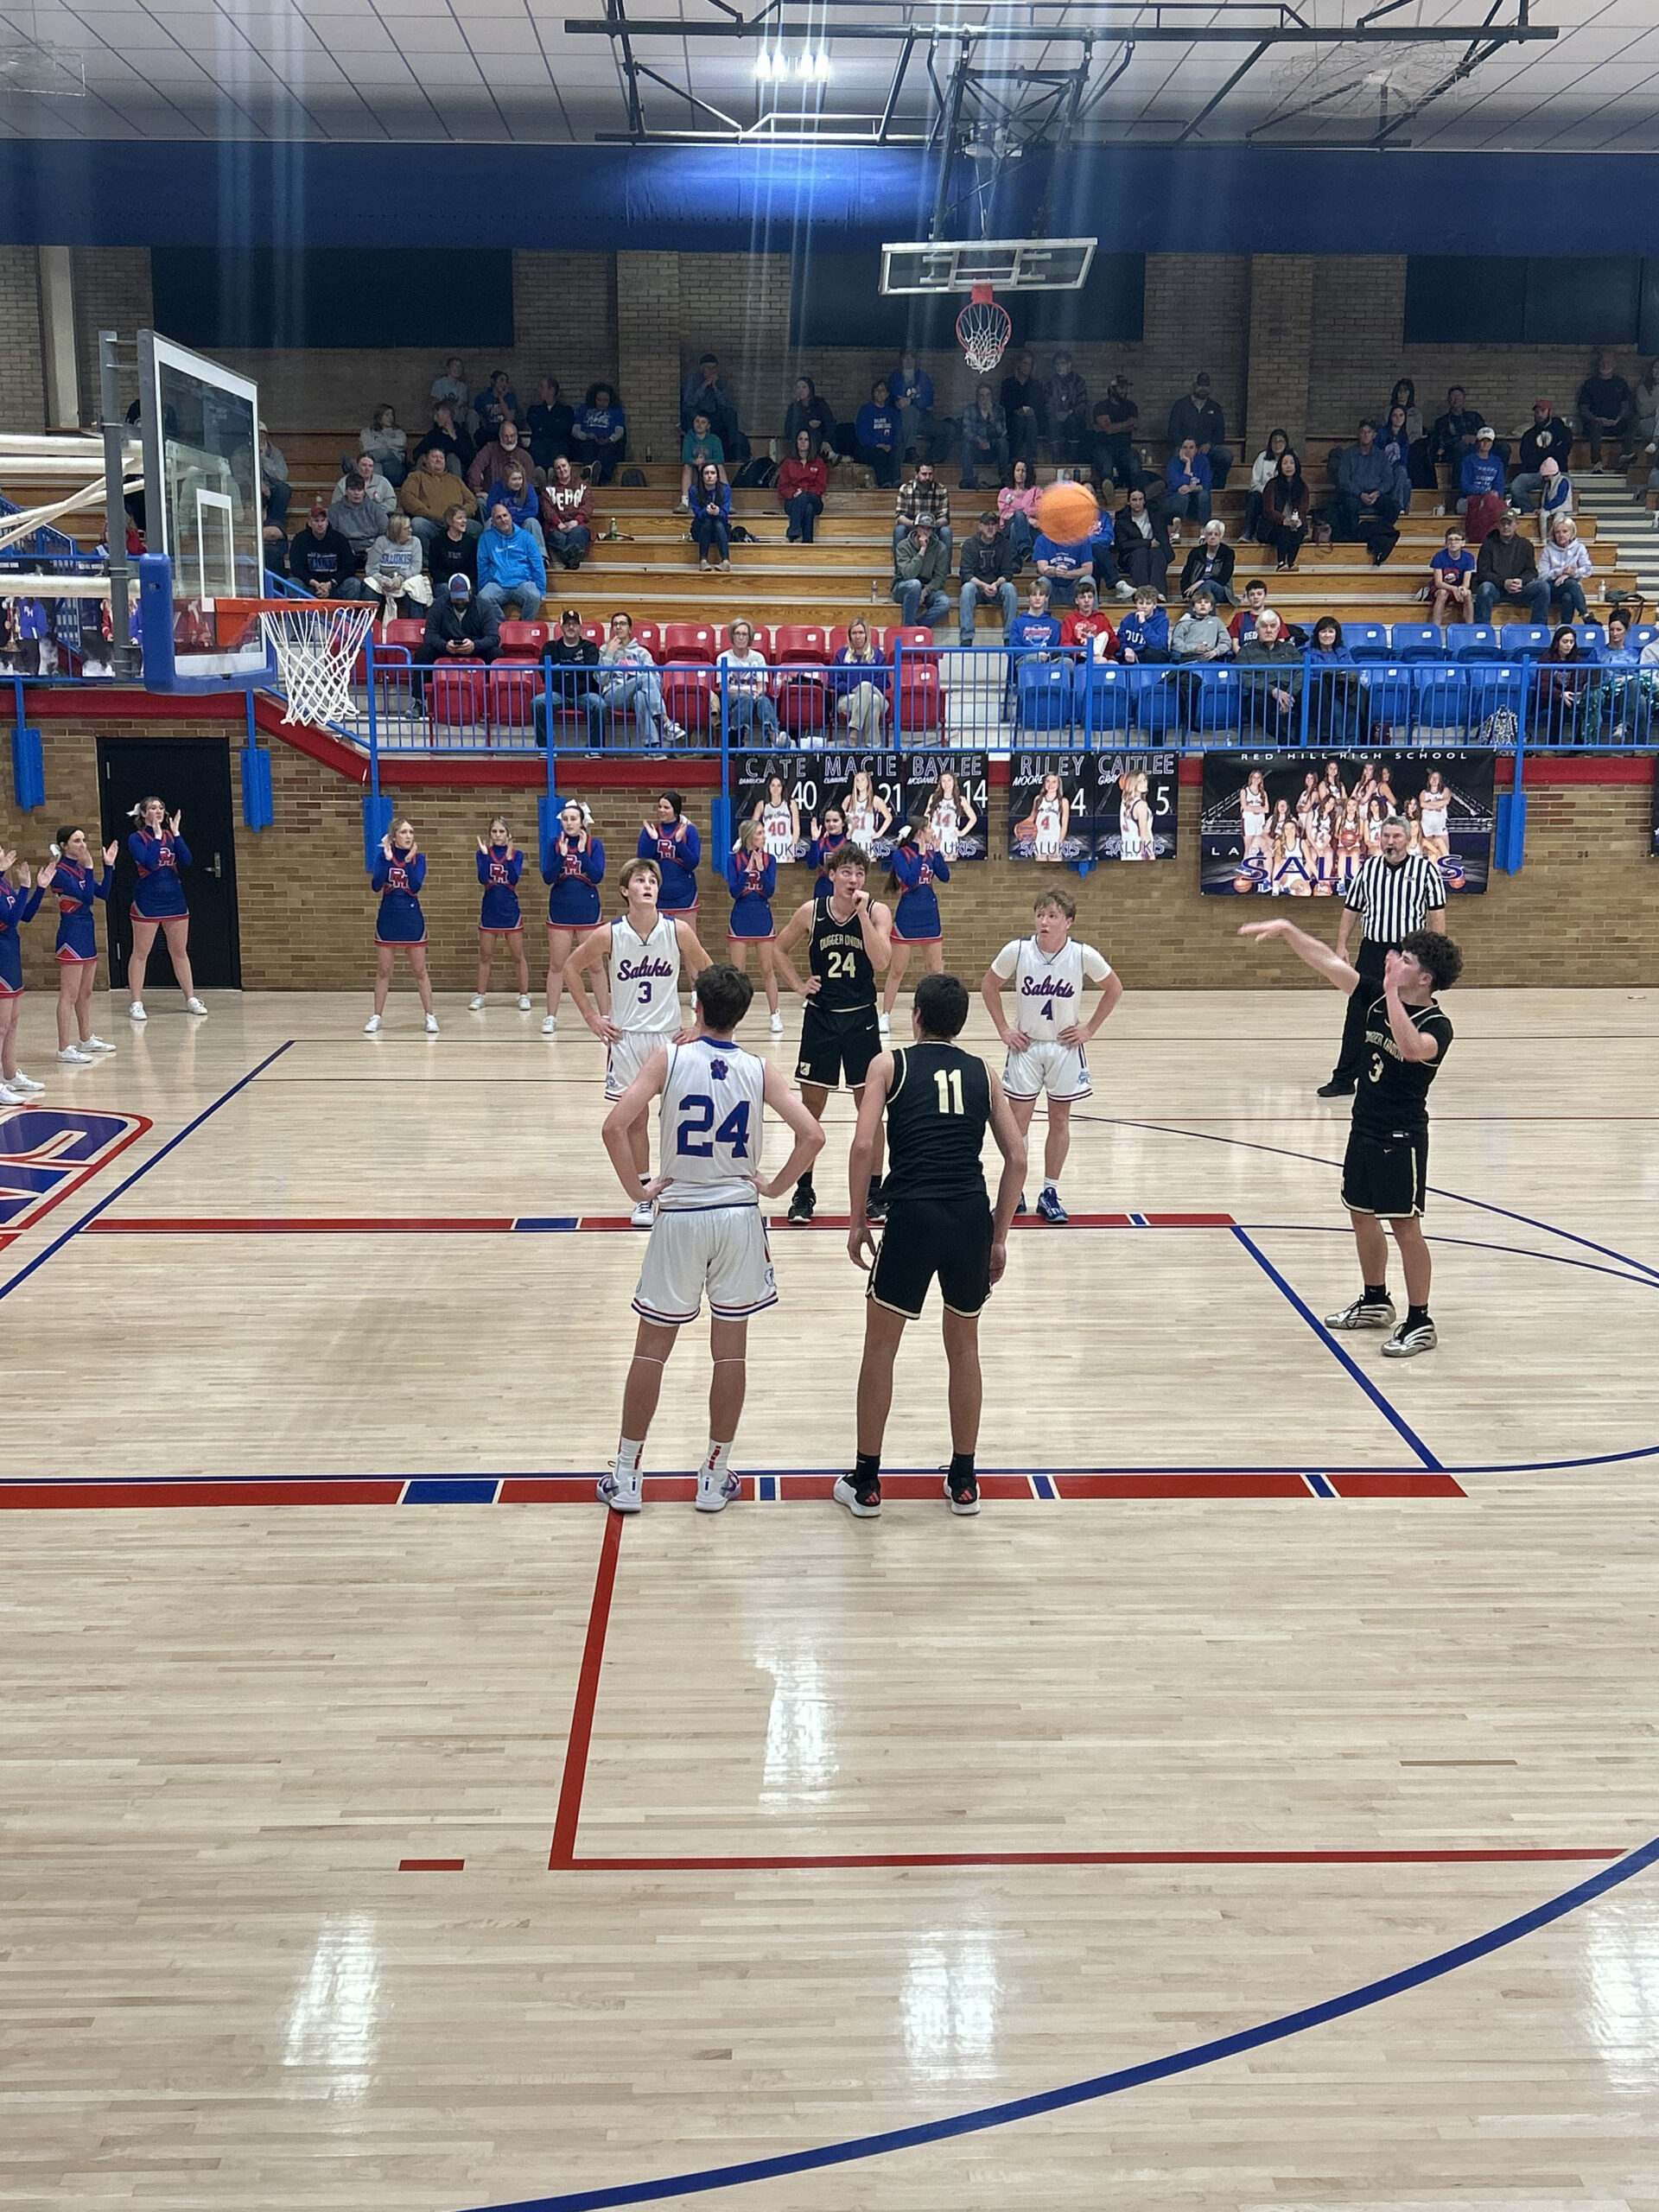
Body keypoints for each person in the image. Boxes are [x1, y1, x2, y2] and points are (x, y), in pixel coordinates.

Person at [599, 963, 823, 1516]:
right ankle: (714, 1476)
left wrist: (639, 1191)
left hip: (679, 1216)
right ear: (741, 1014)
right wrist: (774, 1188)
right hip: (738, 1218)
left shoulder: (668, 1058)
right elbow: (813, 1135)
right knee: (730, 1354)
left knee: (651, 1349)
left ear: (697, 1006)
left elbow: (613, 1126)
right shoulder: (759, 1069)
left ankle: (627, 1474)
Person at [838, 970, 1026, 1519]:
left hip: (913, 1216)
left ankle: (867, 1482)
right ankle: (964, 1480)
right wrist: (998, 1235)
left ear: (916, 1016)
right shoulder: (983, 1072)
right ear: (960, 1023)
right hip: (969, 1216)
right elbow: (1017, 1158)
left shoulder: (888, 1064)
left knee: (880, 1349)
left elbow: (863, 1145)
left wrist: (857, 1220)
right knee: (964, 1348)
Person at [1241, 915, 1463, 1357]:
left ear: (1425, 978)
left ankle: (1420, 1320)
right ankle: (1376, 1299)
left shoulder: (1437, 1024)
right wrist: (1290, 930)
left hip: (1401, 1135)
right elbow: (1328, 963)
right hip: (1364, 1126)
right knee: (1361, 1214)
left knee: (1405, 1225)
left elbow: (1410, 1048)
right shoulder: (1378, 997)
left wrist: (1390, 992)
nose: (1393, 960)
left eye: (1405, 959)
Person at [565, 855, 711, 1227]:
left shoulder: (678, 931)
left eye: (652, 881)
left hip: (669, 1037)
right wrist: (592, 1017)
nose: (648, 885)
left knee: (681, 1116)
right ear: (624, 891)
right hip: (627, 1038)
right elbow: (570, 967)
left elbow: (710, 972)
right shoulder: (610, 934)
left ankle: (682, 1186)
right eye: (640, 880)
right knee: (636, 1120)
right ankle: (645, 1194)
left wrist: (700, 1023)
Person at [982, 887, 1122, 1223]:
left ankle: (1050, 1191)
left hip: (1064, 1048)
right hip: (1026, 1047)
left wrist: (1089, 1029)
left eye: (1053, 916)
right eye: (1040, 915)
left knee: (1059, 1120)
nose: (1044, 922)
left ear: (1068, 922)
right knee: (1017, 1124)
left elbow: (1114, 988)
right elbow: (989, 985)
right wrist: (1003, 1029)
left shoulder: (1082, 954)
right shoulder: (1017, 950)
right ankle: (1015, 1191)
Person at [770, 845, 893, 1225]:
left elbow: (882, 961)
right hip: (822, 1019)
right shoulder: (812, 911)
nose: (853, 880)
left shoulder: (877, 912)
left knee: (869, 1109)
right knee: (811, 1108)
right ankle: (803, 1190)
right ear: (832, 875)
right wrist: (798, 985)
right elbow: (779, 949)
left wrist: (861, 914)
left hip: (861, 1020)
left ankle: (875, 1191)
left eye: (859, 873)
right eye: (846, 872)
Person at [1319, 812, 1447, 1096]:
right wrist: (1341, 945)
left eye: (1396, 836)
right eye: (1386, 836)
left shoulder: (1426, 871)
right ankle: (1344, 1078)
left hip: (1408, 955)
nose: (1390, 842)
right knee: (1358, 1013)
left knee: (1402, 1013)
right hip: (1372, 950)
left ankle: (1397, 1074)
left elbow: (1437, 915)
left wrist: (1433, 959)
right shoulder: (1369, 869)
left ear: (1409, 839)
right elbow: (1351, 909)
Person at [38, 825, 118, 1062]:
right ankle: (64, 1048)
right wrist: (91, 868)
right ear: (63, 846)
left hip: (87, 931)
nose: (83, 845)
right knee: (69, 995)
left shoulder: (80, 869)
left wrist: (108, 866)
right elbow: (86, 898)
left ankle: (85, 1038)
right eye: (76, 841)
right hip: (71, 934)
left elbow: (103, 893)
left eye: (83, 840)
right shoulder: (60, 872)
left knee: (86, 992)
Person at [124, 796, 207, 1021]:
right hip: (148, 901)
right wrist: (158, 837)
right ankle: (136, 1002)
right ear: (143, 814)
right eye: (152, 808)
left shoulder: (171, 835)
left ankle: (190, 998)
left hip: (174, 899)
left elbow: (187, 860)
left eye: (161, 807)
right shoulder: (136, 838)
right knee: (141, 952)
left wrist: (176, 834)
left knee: (179, 951)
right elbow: (149, 862)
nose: (158, 811)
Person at [365, 819, 436, 1036]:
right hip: (389, 917)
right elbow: (376, 885)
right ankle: (377, 1016)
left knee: (420, 970)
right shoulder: (383, 857)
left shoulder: (418, 859)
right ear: (394, 836)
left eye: (411, 832)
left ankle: (430, 1016)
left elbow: (415, 886)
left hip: (411, 918)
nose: (408, 836)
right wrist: (387, 862)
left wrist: (406, 861)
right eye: (404, 832)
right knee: (383, 970)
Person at [541, 798, 606, 1034]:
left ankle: (605, 1015)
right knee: (557, 965)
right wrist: (561, 856)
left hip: (587, 910)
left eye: (573, 819)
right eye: (566, 819)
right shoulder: (554, 844)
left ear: (581, 822)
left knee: (595, 966)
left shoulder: (594, 845)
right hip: (560, 910)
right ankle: (551, 1017)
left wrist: (581, 853)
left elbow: (597, 876)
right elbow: (547, 877)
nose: (569, 823)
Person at [880, 823, 949, 1032]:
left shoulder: (931, 853)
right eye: (928, 828)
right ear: (919, 833)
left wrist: (937, 852)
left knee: (936, 970)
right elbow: (910, 880)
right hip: (908, 916)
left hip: (930, 915)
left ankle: (938, 1015)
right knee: (897, 970)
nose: (932, 832)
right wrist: (920, 854)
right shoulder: (900, 855)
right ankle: (885, 1015)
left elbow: (945, 876)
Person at [724, 821, 784, 1035]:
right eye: (760, 833)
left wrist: (761, 869)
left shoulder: (770, 860)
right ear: (749, 836)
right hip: (741, 916)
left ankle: (775, 1015)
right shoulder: (734, 860)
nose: (764, 836)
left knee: (767, 969)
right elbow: (734, 892)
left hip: (762, 916)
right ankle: (731, 1018)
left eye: (764, 833)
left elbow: (769, 891)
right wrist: (748, 870)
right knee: (737, 973)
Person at [590, 615, 677, 753]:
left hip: (637, 693)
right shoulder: (605, 650)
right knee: (644, 677)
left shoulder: (642, 653)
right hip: (614, 694)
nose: (618, 627)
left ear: (630, 629)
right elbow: (601, 680)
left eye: (622, 624)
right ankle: (665, 720)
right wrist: (610, 654)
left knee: (641, 697)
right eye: (615, 624)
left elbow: (655, 679)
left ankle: (652, 748)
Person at [472, 817, 531, 1012]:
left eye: (501, 831)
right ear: (490, 834)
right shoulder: (482, 853)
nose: (497, 835)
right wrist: (484, 857)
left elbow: (513, 879)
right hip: (490, 909)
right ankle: (480, 995)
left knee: (517, 955)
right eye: (494, 831)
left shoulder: (517, 854)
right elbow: (482, 878)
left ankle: (524, 995)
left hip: (510, 909)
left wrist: (509, 859)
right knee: (485, 956)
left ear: (508, 834)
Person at [0, 845, 45, 1100]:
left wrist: (39, 888)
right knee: (1, 1025)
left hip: (11, 954)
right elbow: (10, 919)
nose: (2, 854)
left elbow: (24, 915)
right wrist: (25, 887)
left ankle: (9, 1075)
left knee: (13, 1020)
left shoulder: (4, 884)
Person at [412, 573, 500, 697]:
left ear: (470, 591)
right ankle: (418, 700)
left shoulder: (484, 606)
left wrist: (475, 645)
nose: (460, 601)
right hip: (446, 649)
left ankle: (491, 699)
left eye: (463, 597)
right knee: (423, 653)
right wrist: (444, 645)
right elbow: (430, 636)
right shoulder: (438, 606)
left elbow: (494, 637)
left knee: (496, 653)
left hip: (475, 650)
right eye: (456, 598)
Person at [1334, 421, 1401, 560]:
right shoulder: (1348, 454)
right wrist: (1360, 494)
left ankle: (1373, 531)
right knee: (1346, 508)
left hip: (1375, 494)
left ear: (1374, 435)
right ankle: (1357, 542)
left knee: (1394, 508)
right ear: (1359, 434)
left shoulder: (1381, 456)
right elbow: (1344, 480)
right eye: (1363, 432)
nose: (1365, 435)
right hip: (1355, 495)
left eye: (1369, 432)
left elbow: (1388, 480)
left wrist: (1377, 492)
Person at [1473, 509, 1550, 626]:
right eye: (1503, 524)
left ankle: (1538, 628)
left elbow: (1531, 572)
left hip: (1520, 589)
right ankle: (1483, 629)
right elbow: (1483, 573)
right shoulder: (1488, 545)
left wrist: (1521, 581)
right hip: (1497, 589)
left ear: (1516, 525)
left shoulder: (1526, 545)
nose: (1506, 527)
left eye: (1509, 523)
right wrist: (1504, 583)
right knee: (1485, 588)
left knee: (1543, 587)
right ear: (1498, 525)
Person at [1236, 608, 1302, 742]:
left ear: (1278, 630)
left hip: (1290, 689)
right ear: (1257, 630)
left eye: (1273, 626)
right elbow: (1245, 677)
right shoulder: (1246, 651)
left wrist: (1289, 695)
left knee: (1314, 692)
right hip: (1265, 691)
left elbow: (1301, 671)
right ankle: (1286, 741)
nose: (1269, 630)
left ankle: (1313, 741)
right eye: (1264, 626)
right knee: (1255, 703)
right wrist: (1273, 691)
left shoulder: (1289, 649)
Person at [475, 501, 547, 623]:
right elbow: (482, 565)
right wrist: (482, 587)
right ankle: (503, 628)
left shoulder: (526, 537)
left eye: (505, 515)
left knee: (535, 596)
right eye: (498, 517)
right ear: (493, 522)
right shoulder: (486, 538)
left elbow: (537, 565)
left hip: (523, 583)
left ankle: (524, 627)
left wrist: (542, 590)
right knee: (483, 597)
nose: (503, 520)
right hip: (497, 585)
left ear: (510, 516)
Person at [957, 510, 1019, 648]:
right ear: (980, 526)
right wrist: (984, 586)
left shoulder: (1005, 544)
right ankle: (966, 637)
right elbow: (966, 574)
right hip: (978, 589)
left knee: (1010, 588)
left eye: (993, 524)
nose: (990, 528)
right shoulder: (970, 544)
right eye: (987, 524)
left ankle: (1009, 637)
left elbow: (1008, 573)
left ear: (997, 527)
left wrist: (996, 584)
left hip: (998, 588)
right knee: (967, 588)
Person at [638, 790, 702, 916]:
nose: (661, 810)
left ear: (675, 810)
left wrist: (679, 842)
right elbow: (642, 863)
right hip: (657, 895)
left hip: (685, 896)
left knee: (685, 930)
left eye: (666, 807)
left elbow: (692, 864)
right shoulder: (650, 831)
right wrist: (653, 840)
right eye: (660, 807)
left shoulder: (689, 831)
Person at [402, 448, 479, 550]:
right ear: (426, 460)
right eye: (434, 457)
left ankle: (461, 556)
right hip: (430, 522)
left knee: (476, 528)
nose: (438, 460)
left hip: (456, 522)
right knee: (417, 524)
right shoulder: (416, 477)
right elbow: (407, 497)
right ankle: (428, 558)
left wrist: (460, 515)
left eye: (441, 457)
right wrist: (428, 513)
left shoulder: (455, 479)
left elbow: (472, 501)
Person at [1168, 370, 1233, 489]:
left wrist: (1209, 444)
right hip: (1185, 447)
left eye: (1206, 386)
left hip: (1206, 448)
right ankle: (1179, 488)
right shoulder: (1181, 405)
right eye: (1200, 385)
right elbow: (1173, 431)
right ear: (1194, 386)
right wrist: (1187, 446)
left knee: (1225, 456)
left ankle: (1216, 489)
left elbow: (1220, 433)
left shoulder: (1215, 408)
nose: (1203, 389)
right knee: (1177, 455)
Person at [289, 502, 367, 599]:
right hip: (310, 586)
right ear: (309, 522)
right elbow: (296, 567)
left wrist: (330, 584)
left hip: (334, 586)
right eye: (316, 521)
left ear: (327, 522)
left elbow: (349, 566)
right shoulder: (300, 539)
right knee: (292, 583)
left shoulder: (339, 538)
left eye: (323, 520)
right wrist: (314, 583)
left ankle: (347, 609)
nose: (320, 524)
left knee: (354, 583)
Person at [716, 620, 776, 743]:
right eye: (737, 634)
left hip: (754, 695)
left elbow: (762, 686)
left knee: (764, 701)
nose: (741, 637)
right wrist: (744, 691)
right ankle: (735, 739)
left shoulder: (758, 658)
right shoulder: (723, 658)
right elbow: (724, 687)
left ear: (750, 637)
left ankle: (775, 739)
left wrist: (757, 693)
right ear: (732, 636)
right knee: (745, 699)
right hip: (732, 696)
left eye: (744, 634)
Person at [362, 512, 428, 623]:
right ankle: (368, 625)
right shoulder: (381, 542)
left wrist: (400, 578)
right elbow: (371, 567)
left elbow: (416, 567)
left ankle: (416, 626)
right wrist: (382, 580)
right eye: (406, 528)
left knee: (416, 585)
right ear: (396, 530)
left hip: (405, 580)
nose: (411, 530)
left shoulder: (415, 542)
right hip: (383, 580)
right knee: (369, 586)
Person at [830, 619, 888, 742]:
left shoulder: (878, 655)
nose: (857, 637)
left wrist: (864, 688)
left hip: (878, 696)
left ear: (867, 635)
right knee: (873, 701)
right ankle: (872, 747)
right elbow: (833, 681)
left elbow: (885, 682)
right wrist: (852, 689)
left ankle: (854, 730)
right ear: (849, 636)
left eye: (861, 633)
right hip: (848, 699)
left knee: (867, 687)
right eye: (854, 633)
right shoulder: (841, 655)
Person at [891, 519, 950, 633]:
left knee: (945, 603)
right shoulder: (903, 546)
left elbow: (939, 577)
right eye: (922, 528)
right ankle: (909, 627)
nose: (925, 532)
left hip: (927, 588)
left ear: (933, 531)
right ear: (916, 529)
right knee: (914, 584)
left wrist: (924, 592)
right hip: (904, 586)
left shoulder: (940, 548)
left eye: (929, 529)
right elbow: (908, 574)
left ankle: (914, 629)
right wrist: (922, 551)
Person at [1577, 351, 1634, 470]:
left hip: (1616, 424)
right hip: (1597, 425)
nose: (1605, 365)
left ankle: (1625, 455)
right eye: (1602, 362)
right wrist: (1597, 419)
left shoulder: (1621, 383)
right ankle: (1597, 463)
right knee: (1595, 425)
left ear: (1614, 364)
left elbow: (1627, 407)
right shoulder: (1590, 384)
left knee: (1632, 422)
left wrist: (1618, 419)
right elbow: (1583, 409)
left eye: (1608, 362)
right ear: (1598, 364)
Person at [1090, 374, 1146, 496]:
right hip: (1104, 447)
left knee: (1135, 462)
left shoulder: (1131, 406)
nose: (1124, 391)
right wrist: (1126, 424)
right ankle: (1108, 495)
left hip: (1124, 448)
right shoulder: (1101, 407)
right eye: (1121, 388)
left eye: (1126, 388)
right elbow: (1108, 429)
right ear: (1112, 389)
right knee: (1107, 465)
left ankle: (1138, 494)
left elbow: (1135, 425)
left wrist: (1115, 426)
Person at [1534, 623, 1591, 741]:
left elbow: (1578, 683)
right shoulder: (1546, 659)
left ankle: (1579, 746)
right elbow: (1544, 685)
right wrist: (1560, 694)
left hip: (1570, 695)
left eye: (1571, 642)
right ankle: (1552, 745)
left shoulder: (1577, 660)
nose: (1568, 645)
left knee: (1587, 706)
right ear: (1557, 642)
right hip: (1547, 696)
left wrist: (1575, 694)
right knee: (1561, 707)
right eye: (1565, 642)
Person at [681, 354, 745, 459]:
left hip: (715, 414)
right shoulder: (694, 380)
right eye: (708, 368)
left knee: (730, 413)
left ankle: (733, 447)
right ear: (702, 368)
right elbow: (689, 402)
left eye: (714, 368)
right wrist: (704, 386)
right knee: (690, 412)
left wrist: (715, 388)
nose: (711, 371)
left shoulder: (721, 382)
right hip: (698, 412)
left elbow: (725, 404)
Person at [1510, 398, 1572, 506]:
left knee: (1569, 483)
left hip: (1558, 474)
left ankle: (1560, 514)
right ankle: (1531, 512)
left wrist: (1540, 454)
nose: (1539, 415)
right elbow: (1526, 457)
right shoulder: (1529, 435)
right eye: (1537, 412)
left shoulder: (1563, 432)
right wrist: (1547, 455)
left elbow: (1562, 454)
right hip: (1536, 475)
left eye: (1543, 411)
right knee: (1517, 484)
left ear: (1550, 412)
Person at [1113, 485, 1171, 596]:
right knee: (1141, 553)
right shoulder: (1122, 519)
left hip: (1154, 551)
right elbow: (1122, 545)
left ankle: (1159, 594)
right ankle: (1142, 594)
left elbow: (1163, 534)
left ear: (1144, 500)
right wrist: (1147, 543)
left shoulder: (1155, 513)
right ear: (1129, 502)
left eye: (1140, 499)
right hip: (1131, 555)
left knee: (1157, 553)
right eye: (1134, 500)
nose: (1138, 503)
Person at [540, 454, 594, 571]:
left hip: (578, 526)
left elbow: (588, 505)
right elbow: (546, 508)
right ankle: (574, 559)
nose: (562, 469)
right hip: (556, 528)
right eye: (558, 468)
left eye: (564, 466)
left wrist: (576, 521)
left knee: (578, 532)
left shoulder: (582, 486)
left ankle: (568, 559)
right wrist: (558, 523)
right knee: (556, 537)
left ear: (569, 467)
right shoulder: (548, 489)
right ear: (555, 471)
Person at [1537, 512, 1593, 624]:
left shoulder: (1579, 548)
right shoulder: (1548, 550)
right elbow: (1542, 575)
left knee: (1568, 596)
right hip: (1552, 588)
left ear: (1572, 533)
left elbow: (1588, 569)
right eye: (1557, 532)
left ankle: (1565, 626)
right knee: (1571, 584)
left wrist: (1571, 573)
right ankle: (1585, 615)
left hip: (1571, 588)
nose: (1561, 535)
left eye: (1565, 531)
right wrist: (1560, 572)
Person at [893, 459, 951, 562]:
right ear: (916, 475)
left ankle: (945, 569)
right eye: (924, 474)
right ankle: (900, 569)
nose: (927, 477)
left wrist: (929, 526)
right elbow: (900, 517)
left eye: (930, 474)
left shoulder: (941, 489)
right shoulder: (905, 488)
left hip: (933, 527)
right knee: (899, 530)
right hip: (912, 526)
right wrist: (917, 525)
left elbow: (945, 518)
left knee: (946, 531)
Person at [465, 419, 538, 501]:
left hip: (517, 499)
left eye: (512, 436)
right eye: (506, 436)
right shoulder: (490, 449)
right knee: (480, 501)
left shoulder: (525, 456)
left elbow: (529, 481)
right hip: (491, 498)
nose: (509, 440)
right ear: (500, 436)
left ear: (517, 436)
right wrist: (477, 490)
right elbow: (475, 467)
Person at [1000, 352, 1048, 469]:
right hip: (1012, 421)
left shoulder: (1036, 385)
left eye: (1030, 364)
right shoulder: (1008, 384)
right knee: (1019, 420)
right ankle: (1014, 456)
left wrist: (1033, 411)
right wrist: (1016, 411)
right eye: (1025, 363)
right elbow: (1003, 406)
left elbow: (1041, 407)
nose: (1027, 367)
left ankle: (1032, 456)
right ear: (1019, 364)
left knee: (1030, 419)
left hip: (1032, 422)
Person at [778, 430, 827, 543]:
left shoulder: (819, 462)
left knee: (805, 498)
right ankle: (807, 542)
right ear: (796, 442)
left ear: (811, 443)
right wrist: (794, 493)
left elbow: (821, 486)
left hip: (814, 499)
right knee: (808, 508)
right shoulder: (788, 463)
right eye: (800, 439)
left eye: (806, 439)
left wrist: (804, 491)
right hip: (793, 501)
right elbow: (783, 486)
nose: (803, 442)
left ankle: (792, 533)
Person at [959, 382, 1009, 492]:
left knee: (1003, 442)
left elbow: (1002, 432)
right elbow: (967, 431)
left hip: (993, 450)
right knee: (966, 444)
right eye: (981, 395)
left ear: (992, 397)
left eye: (988, 395)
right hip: (976, 449)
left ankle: (1004, 477)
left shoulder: (999, 410)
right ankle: (967, 479)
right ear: (977, 397)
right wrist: (979, 440)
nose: (984, 399)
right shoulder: (970, 410)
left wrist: (992, 416)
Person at [485, 461, 544, 552]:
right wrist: (505, 520)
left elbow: (533, 511)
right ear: (506, 480)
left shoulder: (528, 488)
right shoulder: (497, 488)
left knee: (532, 522)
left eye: (520, 479)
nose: (518, 482)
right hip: (502, 524)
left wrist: (511, 518)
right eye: (514, 479)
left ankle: (541, 555)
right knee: (490, 522)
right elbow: (491, 509)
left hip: (522, 525)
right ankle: (488, 554)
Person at [573, 384, 626, 484]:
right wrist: (586, 436)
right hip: (588, 440)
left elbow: (620, 432)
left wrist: (609, 439)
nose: (602, 403)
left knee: (607, 451)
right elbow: (575, 430)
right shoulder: (584, 409)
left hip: (607, 440)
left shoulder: (616, 411)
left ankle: (599, 476)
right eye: (599, 400)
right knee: (588, 448)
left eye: (605, 400)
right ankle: (589, 472)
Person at [1243, 429, 1290, 540]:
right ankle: (1247, 533)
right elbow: (1255, 483)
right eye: (1274, 441)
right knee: (1254, 497)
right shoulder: (1262, 457)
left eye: (1280, 441)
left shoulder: (1289, 458)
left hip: (1283, 495)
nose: (1277, 444)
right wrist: (1268, 493)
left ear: (1286, 443)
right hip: (1263, 494)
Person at [425, 505, 480, 601]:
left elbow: (473, 570)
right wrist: (453, 582)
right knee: (446, 591)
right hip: (444, 583)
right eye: (460, 518)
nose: (464, 521)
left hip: (465, 583)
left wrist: (463, 583)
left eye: (465, 518)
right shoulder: (437, 542)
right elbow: (435, 570)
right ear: (450, 521)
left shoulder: (471, 542)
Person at [888, 352, 936, 460]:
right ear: (901, 360)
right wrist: (897, 402)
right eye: (905, 358)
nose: (908, 362)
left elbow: (929, 399)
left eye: (911, 359)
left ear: (915, 361)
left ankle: (931, 460)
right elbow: (890, 399)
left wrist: (912, 401)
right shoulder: (895, 378)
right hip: (901, 420)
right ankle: (910, 450)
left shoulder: (923, 377)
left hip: (923, 420)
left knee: (948, 430)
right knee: (909, 411)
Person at [855, 379, 902, 489]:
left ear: (887, 394)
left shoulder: (893, 412)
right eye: (877, 390)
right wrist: (877, 444)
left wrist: (890, 445)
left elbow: (898, 433)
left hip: (889, 447)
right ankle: (884, 483)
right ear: (873, 393)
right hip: (870, 448)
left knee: (896, 452)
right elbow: (862, 433)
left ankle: (896, 481)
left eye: (883, 391)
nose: (880, 393)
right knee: (880, 454)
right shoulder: (866, 411)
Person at [1179, 518, 1236, 607]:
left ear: (1221, 536)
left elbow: (1224, 578)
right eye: (1210, 534)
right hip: (1197, 591)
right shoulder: (1196, 553)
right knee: (1204, 589)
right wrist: (1186, 594)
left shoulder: (1228, 553)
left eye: (1216, 534)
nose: (1213, 537)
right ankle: (1205, 614)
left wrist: (1201, 582)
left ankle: (1194, 613)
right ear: (1205, 535)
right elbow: (1185, 575)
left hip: (1221, 590)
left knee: (1208, 584)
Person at [1046, 352, 1090, 464]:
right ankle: (1056, 460)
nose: (1059, 366)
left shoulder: (1079, 382)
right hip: (1056, 418)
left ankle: (1072, 460)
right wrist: (1056, 413)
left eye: (1062, 363)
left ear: (1069, 365)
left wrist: (1070, 412)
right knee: (1052, 422)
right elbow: (1047, 404)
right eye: (1057, 364)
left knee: (1073, 422)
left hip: (1074, 417)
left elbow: (1083, 403)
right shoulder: (1050, 384)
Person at [688, 461, 732, 570]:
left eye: (712, 473)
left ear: (717, 476)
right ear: (702, 476)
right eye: (706, 473)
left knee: (718, 523)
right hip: (701, 529)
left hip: (720, 529)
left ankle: (725, 561)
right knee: (707, 521)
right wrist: (706, 511)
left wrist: (718, 512)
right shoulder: (694, 490)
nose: (709, 476)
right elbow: (697, 512)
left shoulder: (726, 489)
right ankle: (703, 561)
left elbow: (725, 513)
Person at [1429, 525, 1477, 626]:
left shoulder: (1468, 557)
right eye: (1450, 540)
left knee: (1468, 593)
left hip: (1458, 587)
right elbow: (1438, 582)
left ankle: (1470, 626)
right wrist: (1453, 589)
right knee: (1443, 593)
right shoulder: (1439, 557)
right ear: (1446, 543)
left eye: (1457, 539)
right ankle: (1435, 626)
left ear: (1463, 543)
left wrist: (1462, 589)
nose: (1453, 542)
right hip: (1442, 587)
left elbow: (1466, 582)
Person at [678, 410, 725, 510]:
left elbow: (720, 459)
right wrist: (695, 462)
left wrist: (705, 462)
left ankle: (726, 501)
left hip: (709, 468)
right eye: (697, 421)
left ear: (708, 426)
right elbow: (685, 458)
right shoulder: (688, 438)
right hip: (695, 470)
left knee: (720, 467)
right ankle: (685, 502)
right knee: (687, 467)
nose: (699, 425)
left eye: (703, 422)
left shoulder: (714, 439)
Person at [783, 376, 838, 462]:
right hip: (799, 446)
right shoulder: (793, 408)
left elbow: (830, 425)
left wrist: (826, 440)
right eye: (798, 387)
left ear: (810, 389)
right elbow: (788, 431)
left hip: (819, 444)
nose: (800, 390)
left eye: (804, 387)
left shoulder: (820, 405)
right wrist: (807, 425)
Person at [526, 378, 575, 472]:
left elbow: (564, 429)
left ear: (551, 390)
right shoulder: (534, 410)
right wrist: (553, 424)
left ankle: (553, 472)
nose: (539, 390)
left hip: (558, 445)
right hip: (540, 446)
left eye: (542, 387)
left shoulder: (565, 411)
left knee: (559, 448)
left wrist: (545, 426)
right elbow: (534, 425)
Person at [996, 459, 1040, 564]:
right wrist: (1027, 518)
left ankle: (1015, 560)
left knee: (1015, 526)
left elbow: (1039, 509)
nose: (1020, 474)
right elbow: (1004, 513)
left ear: (1028, 473)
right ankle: (1025, 549)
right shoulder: (1005, 492)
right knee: (1017, 517)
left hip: (1031, 528)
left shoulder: (1036, 491)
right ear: (1013, 472)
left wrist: (1022, 516)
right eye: (1018, 470)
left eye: (1023, 471)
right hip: (1008, 527)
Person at [1061, 577, 1115, 658]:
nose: (1086, 600)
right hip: (1078, 659)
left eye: (1090, 597)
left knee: (1112, 664)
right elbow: (1065, 643)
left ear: (1094, 600)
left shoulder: (1102, 619)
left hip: (1100, 657)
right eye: (1082, 597)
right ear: (1076, 601)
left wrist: (1108, 635)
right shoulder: (1069, 619)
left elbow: (1114, 645)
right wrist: (1079, 652)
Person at [1115, 584, 1169, 664]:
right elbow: (1120, 640)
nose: (1144, 606)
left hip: (1152, 658)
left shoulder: (1162, 621)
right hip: (1130, 656)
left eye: (1148, 603)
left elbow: (1158, 645)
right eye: (1141, 603)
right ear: (1136, 604)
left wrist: (1143, 623)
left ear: (1154, 605)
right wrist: (1126, 649)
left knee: (1152, 654)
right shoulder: (1129, 619)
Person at [1458, 426, 1506, 513]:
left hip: (1491, 500)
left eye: (1489, 441)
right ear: (1478, 442)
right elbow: (1465, 486)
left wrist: (1495, 493)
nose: (1485, 443)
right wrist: (1485, 492)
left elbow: (1499, 485)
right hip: (1470, 499)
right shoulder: (1468, 460)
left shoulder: (1497, 462)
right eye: (1482, 440)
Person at [1165, 437, 1212, 526]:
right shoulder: (1174, 463)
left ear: (1196, 450)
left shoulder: (1203, 461)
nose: (1188, 450)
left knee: (1204, 494)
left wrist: (1191, 488)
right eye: (1185, 448)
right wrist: (1188, 463)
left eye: (1191, 447)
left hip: (1195, 500)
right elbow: (1178, 486)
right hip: (1176, 499)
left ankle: (1204, 528)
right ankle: (1177, 528)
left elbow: (1207, 484)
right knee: (1183, 496)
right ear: (1180, 450)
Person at [360, 404, 408, 487]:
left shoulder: (399, 433)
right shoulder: (367, 432)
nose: (391, 418)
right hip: (375, 467)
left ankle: (355, 467)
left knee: (384, 453)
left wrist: (381, 440)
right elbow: (366, 447)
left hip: (394, 470)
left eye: (392, 415)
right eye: (387, 415)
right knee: (377, 465)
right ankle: (377, 488)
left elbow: (401, 444)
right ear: (379, 417)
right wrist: (389, 444)